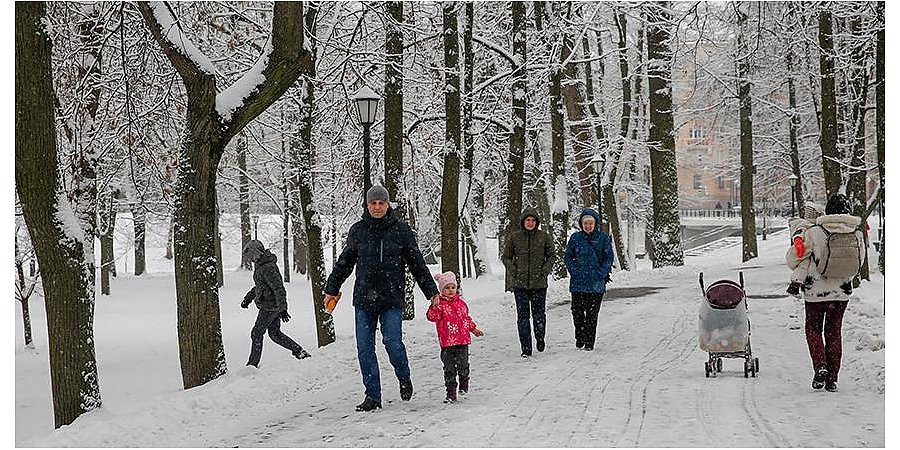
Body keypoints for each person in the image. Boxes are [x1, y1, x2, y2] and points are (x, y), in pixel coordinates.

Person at [324, 185, 440, 412]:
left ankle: (403, 376)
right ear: (367, 205)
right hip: (363, 299)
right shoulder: (358, 231)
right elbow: (344, 262)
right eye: (373, 203)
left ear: (388, 205)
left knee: (393, 343)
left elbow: (417, 262)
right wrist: (331, 287)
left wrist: (431, 292)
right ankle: (372, 396)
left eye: (381, 203)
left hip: (391, 298)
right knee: (365, 348)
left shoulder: (401, 231)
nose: (377, 207)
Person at [786, 193, 866, 392]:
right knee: (834, 332)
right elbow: (860, 261)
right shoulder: (856, 232)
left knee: (813, 329)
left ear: (828, 210)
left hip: (815, 291)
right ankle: (832, 379)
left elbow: (794, 258)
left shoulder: (814, 232)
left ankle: (820, 365)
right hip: (841, 292)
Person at [241, 240, 310, 367]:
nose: (250, 260)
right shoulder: (261, 266)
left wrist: (283, 308)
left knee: (256, 333)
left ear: (256, 252)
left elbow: (279, 288)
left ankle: (252, 365)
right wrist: (248, 299)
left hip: (270, 306)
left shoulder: (268, 267)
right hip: (270, 305)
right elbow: (260, 286)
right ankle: (299, 351)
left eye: (251, 256)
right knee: (275, 334)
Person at [501, 207, 556, 358]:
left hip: (539, 284)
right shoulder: (515, 237)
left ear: (536, 222)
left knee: (539, 314)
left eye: (533, 220)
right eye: (528, 220)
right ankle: (526, 348)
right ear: (523, 222)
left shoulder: (544, 237)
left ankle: (539, 337)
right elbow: (506, 257)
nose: (530, 223)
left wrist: (544, 271)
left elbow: (552, 255)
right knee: (523, 317)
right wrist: (514, 271)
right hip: (520, 285)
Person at [426, 271, 484, 403]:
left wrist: (473, 329)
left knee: (463, 365)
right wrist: (434, 306)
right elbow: (432, 317)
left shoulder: (461, 304)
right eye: (447, 288)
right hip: (447, 343)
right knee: (449, 369)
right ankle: (451, 392)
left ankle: (464, 382)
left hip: (462, 341)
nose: (450, 290)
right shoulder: (439, 305)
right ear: (441, 289)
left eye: (453, 287)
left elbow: (466, 319)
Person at [563, 208, 614, 351]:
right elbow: (568, 256)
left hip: (596, 283)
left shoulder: (603, 238)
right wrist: (574, 271)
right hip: (578, 282)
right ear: (581, 224)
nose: (588, 226)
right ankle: (580, 335)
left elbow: (609, 257)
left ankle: (589, 342)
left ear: (595, 223)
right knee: (577, 312)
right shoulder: (575, 238)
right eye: (585, 223)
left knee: (592, 314)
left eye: (590, 223)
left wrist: (601, 273)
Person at [786, 202, 824, 297]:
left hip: (812, 249)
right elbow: (799, 232)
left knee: (807, 265)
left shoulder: (813, 225)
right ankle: (795, 284)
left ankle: (796, 284)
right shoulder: (805, 225)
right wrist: (798, 241)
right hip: (808, 250)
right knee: (806, 264)